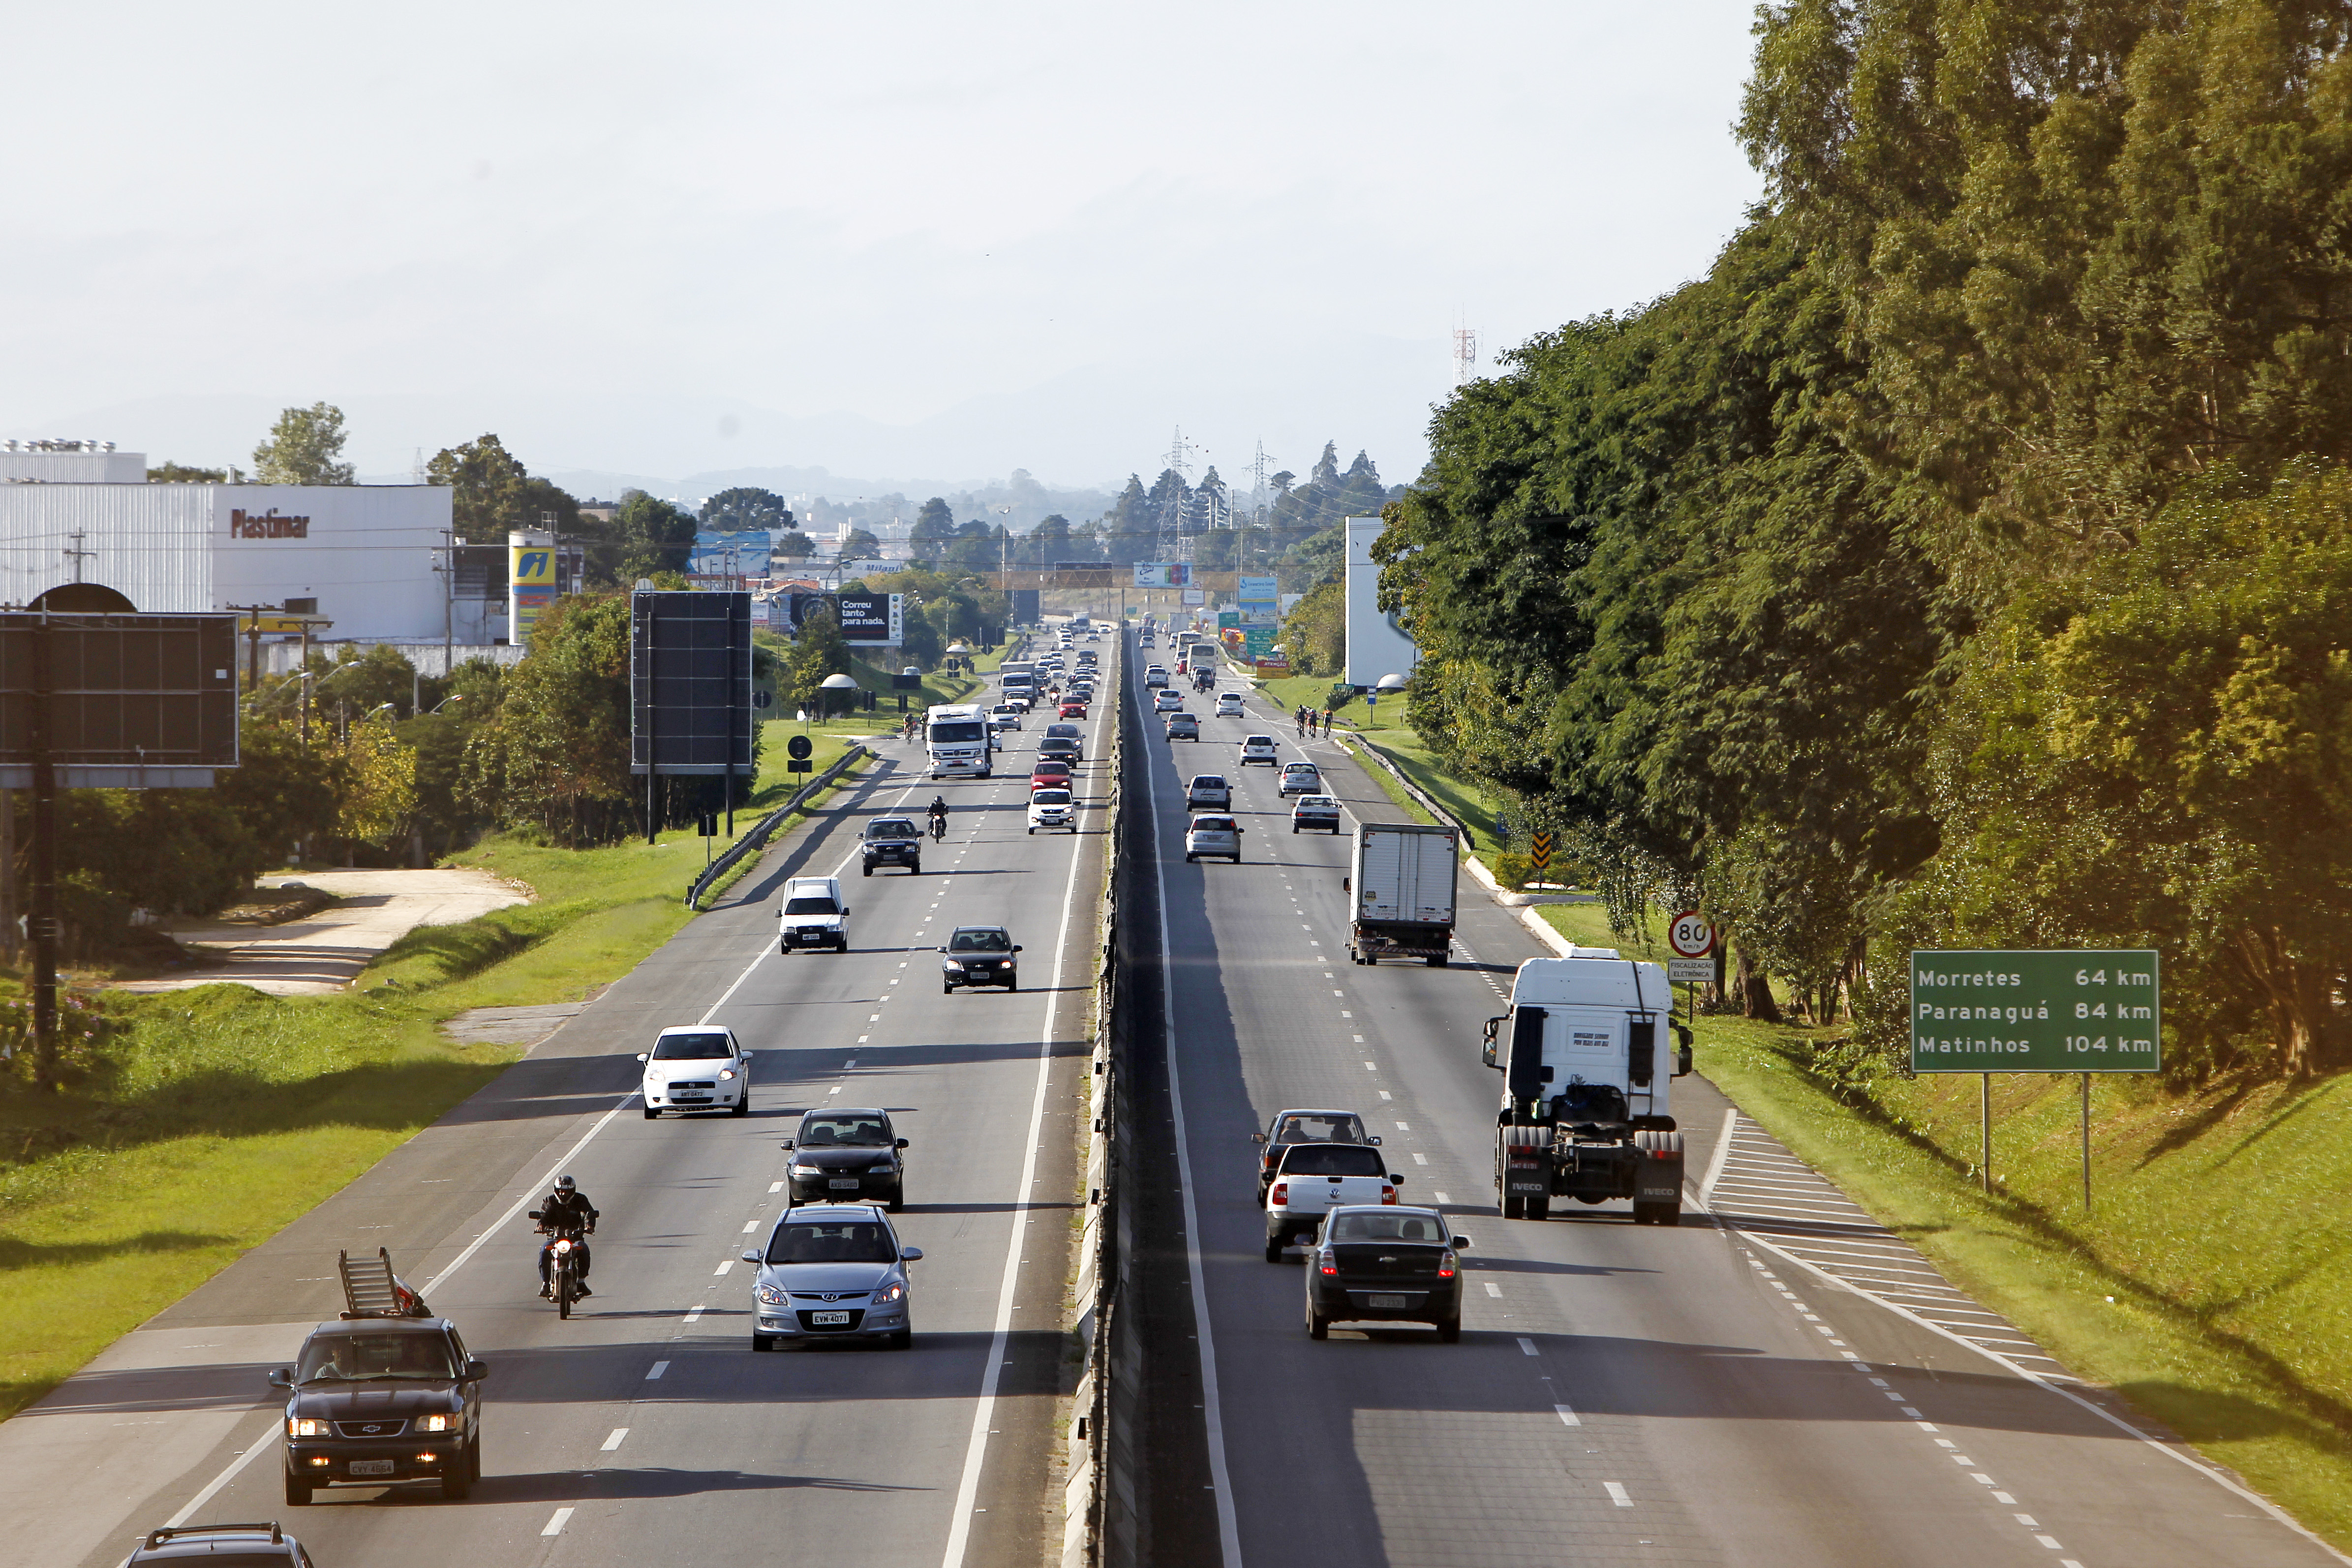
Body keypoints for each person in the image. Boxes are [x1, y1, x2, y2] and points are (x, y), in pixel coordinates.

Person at [536, 1174, 599, 1298]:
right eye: (561, 1191)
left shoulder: (581, 1200)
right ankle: (546, 1284)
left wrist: (589, 1226)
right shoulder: (550, 1201)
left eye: (566, 1191)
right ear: (556, 1190)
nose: (563, 1193)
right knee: (544, 1250)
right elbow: (544, 1215)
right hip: (555, 1238)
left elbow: (587, 1214)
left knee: (584, 1249)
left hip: (575, 1238)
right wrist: (541, 1225)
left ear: (572, 1190)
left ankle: (581, 1282)